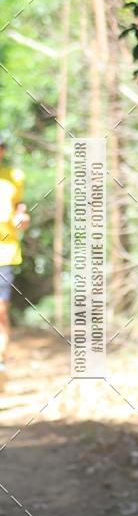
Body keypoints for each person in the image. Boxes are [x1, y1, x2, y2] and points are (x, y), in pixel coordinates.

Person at [0, 137, 29, 385]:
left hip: (5, 252)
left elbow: (20, 209)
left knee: (1, 310)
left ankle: (1, 361)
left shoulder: (14, 178)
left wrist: (22, 218)